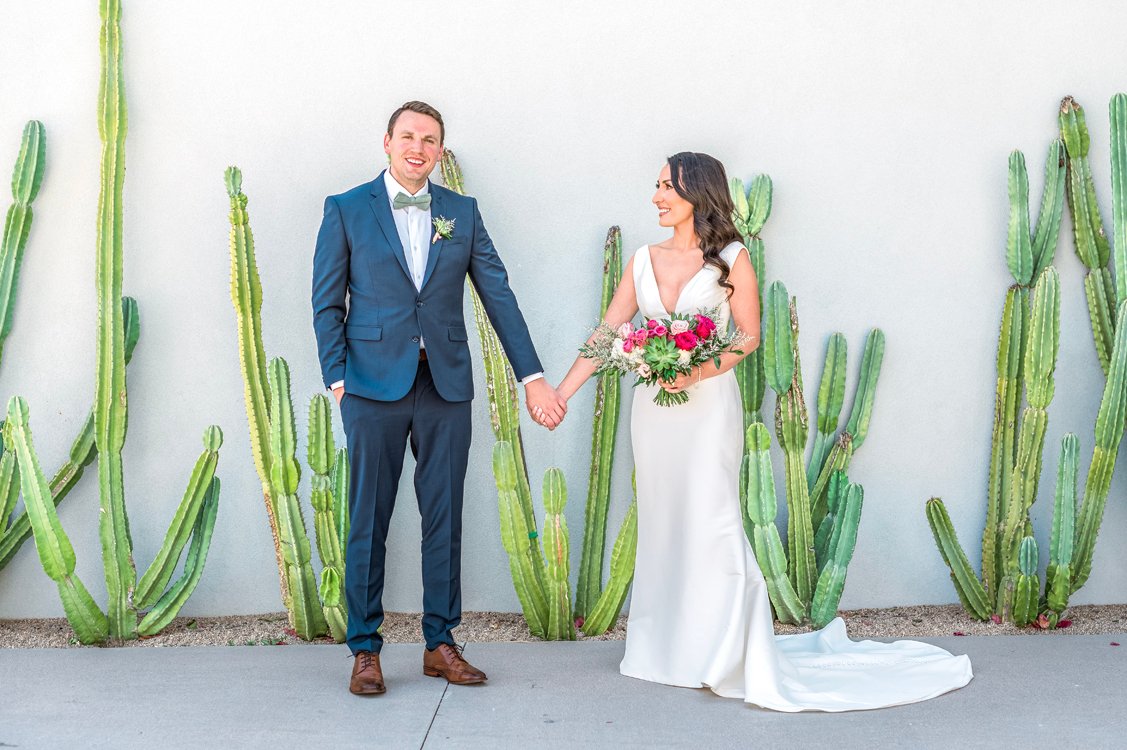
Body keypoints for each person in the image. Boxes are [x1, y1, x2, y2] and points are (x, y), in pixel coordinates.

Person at [549, 152, 973, 711]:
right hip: (653, 414)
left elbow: (746, 337)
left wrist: (694, 371)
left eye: (667, 187)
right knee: (664, 516)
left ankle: (727, 649)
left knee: (713, 514)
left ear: (697, 193)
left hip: (707, 410)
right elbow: (607, 332)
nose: (656, 197)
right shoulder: (642, 260)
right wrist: (560, 392)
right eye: (655, 186)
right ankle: (665, 650)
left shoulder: (731, 258)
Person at [312, 101, 567, 696]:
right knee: (367, 518)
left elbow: (497, 293)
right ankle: (365, 648)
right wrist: (337, 376)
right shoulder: (347, 208)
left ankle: (440, 642)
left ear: (440, 150)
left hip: (445, 384)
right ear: (387, 142)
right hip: (371, 385)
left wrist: (531, 377)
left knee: (444, 515)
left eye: (429, 140)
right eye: (408, 137)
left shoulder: (462, 212)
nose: (417, 148)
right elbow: (327, 299)